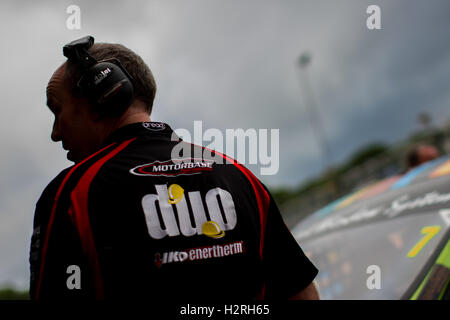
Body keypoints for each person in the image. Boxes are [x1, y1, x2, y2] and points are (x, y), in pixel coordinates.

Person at [29, 36, 319, 300]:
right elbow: (302, 294)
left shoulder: (69, 196)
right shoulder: (240, 177)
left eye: (57, 110)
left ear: (102, 94)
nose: (55, 132)